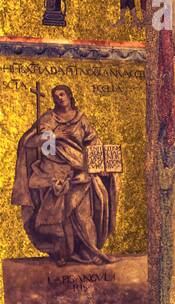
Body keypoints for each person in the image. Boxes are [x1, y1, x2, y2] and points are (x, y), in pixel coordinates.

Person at [11, 85, 116, 265]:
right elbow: (38, 146)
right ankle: (63, 253)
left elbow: (92, 141)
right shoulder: (49, 119)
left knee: (84, 216)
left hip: (79, 171)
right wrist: (53, 136)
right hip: (55, 173)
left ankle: (92, 252)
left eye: (62, 94)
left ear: (69, 95)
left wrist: (96, 167)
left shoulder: (81, 119)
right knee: (59, 218)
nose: (59, 97)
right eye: (55, 95)